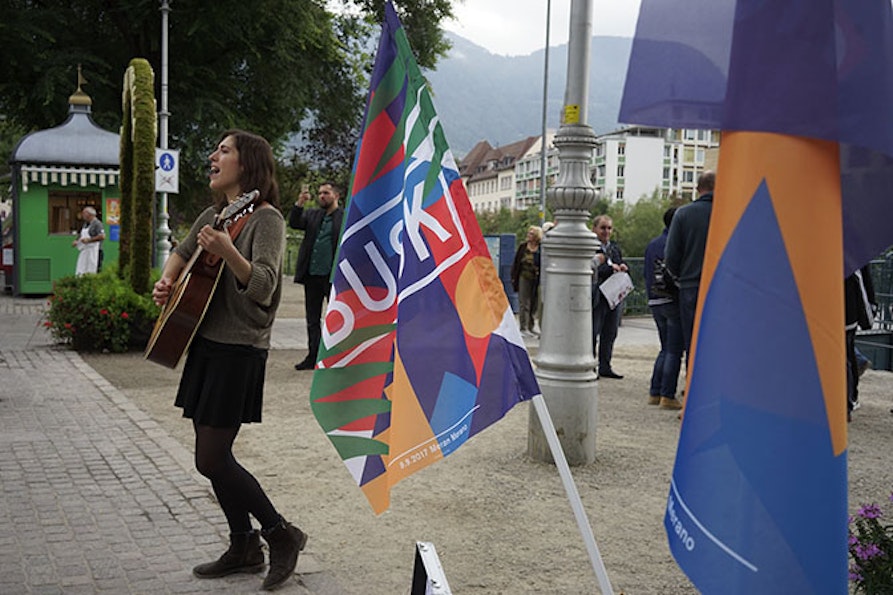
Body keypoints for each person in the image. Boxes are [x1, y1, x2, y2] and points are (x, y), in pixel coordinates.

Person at [151, 130, 306, 591]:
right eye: (215, 149)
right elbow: (181, 254)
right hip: (205, 343)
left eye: (224, 150)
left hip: (239, 348)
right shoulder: (214, 214)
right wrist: (167, 282)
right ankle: (243, 545)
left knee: (212, 457)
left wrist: (227, 251)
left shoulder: (267, 219)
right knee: (213, 455)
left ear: (247, 163)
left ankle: (280, 534)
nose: (213, 156)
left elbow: (264, 286)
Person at [289, 181, 344, 371]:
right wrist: (300, 203)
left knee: (336, 318)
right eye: (320, 193)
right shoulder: (313, 215)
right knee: (312, 319)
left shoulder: (344, 217)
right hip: (312, 275)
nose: (322, 196)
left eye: (326, 193)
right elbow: (295, 223)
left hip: (332, 277)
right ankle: (313, 355)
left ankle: (335, 356)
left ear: (336, 195)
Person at [665, 171, 715, 360]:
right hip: (722, 286)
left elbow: (671, 256)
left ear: (697, 188)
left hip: (690, 286)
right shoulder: (729, 213)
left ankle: (692, 377)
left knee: (693, 343)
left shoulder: (683, 214)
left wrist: (681, 276)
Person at [644, 208, 683, 410]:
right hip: (672, 300)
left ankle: (655, 391)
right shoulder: (675, 242)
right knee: (674, 350)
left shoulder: (653, 244)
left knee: (665, 348)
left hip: (655, 300)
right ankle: (667, 395)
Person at [591, 215, 628, 379]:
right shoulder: (591, 247)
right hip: (597, 294)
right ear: (594, 229)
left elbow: (620, 261)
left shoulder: (614, 248)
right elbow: (592, 269)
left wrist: (622, 267)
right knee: (592, 332)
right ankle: (590, 366)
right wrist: (609, 268)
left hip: (613, 295)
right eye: (603, 228)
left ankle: (605, 365)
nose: (606, 231)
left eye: (609, 228)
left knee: (610, 332)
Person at [845, 265, 876, 421]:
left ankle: (847, 402)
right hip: (848, 316)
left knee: (845, 360)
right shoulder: (852, 255)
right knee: (847, 358)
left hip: (841, 316)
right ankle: (848, 402)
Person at [510, 225, 542, 337]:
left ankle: (531, 326)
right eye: (529, 233)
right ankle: (523, 327)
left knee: (534, 302)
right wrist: (513, 276)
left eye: (532, 233)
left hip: (536, 278)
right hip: (524, 276)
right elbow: (516, 262)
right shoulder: (523, 247)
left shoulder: (541, 248)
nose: (529, 235)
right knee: (524, 302)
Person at [72, 206, 104, 275]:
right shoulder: (85, 224)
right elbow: (81, 234)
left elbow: (102, 236)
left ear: (90, 215)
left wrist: (89, 240)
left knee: (94, 269)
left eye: (84, 213)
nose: (82, 215)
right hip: (85, 251)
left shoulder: (97, 224)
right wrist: (76, 241)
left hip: (96, 251)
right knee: (83, 268)